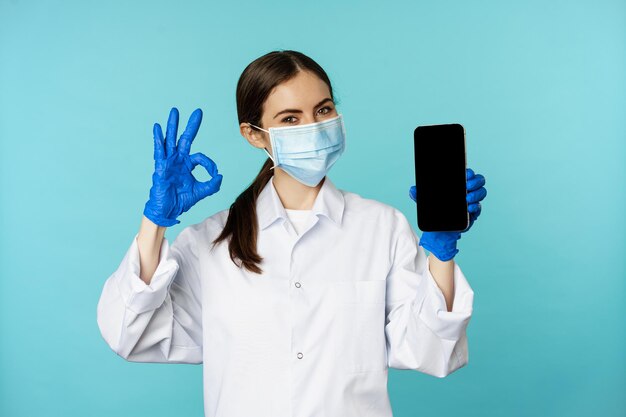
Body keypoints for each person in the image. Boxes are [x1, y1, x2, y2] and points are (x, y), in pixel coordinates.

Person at [96, 49, 487, 417]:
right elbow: (129, 334)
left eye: (323, 110)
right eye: (290, 119)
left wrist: (442, 250)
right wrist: (155, 222)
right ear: (254, 135)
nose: (314, 128)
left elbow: (430, 351)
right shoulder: (209, 243)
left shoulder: (381, 226)